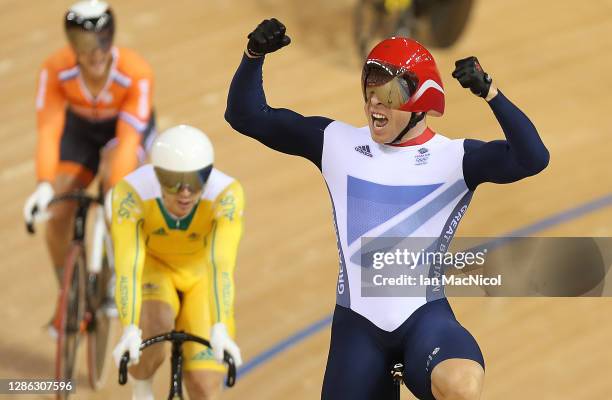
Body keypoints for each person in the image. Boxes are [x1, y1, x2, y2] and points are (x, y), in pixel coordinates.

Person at [225, 18, 549, 400]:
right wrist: (253, 56)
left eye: (389, 95)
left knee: (462, 385)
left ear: (421, 101)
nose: (374, 103)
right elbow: (245, 115)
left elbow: (533, 158)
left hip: (424, 322)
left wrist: (492, 93)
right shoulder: (335, 143)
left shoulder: (455, 158)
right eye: (369, 91)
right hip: (358, 329)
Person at [22, 0, 156, 323]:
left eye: (102, 42)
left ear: (112, 38)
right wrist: (43, 184)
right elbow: (50, 129)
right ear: (71, 45)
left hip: (123, 134)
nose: (95, 53)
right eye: (84, 44)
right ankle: (69, 293)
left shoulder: (136, 72)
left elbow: (127, 140)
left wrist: (115, 193)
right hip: (80, 132)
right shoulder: (55, 69)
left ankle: (117, 277)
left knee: (117, 186)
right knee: (57, 212)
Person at [109, 125, 244, 400]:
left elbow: (221, 266)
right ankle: (143, 388)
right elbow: (128, 268)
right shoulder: (131, 193)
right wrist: (130, 328)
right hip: (154, 271)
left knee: (204, 386)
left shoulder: (225, 194)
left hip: (201, 278)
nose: (185, 192)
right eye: (173, 180)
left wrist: (219, 326)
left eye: (197, 180)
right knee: (146, 352)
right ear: (156, 175)